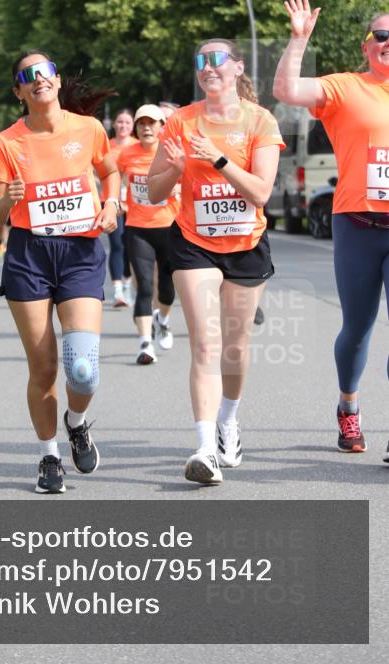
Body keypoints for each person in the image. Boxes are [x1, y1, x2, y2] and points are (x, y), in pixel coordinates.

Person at [0, 51, 120, 494]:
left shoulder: (90, 129)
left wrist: (113, 203)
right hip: (29, 256)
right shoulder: (7, 143)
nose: (38, 79)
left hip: (80, 252)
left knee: (83, 370)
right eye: (28, 75)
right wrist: (10, 200)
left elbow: (110, 171)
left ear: (57, 81)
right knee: (42, 368)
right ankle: (49, 456)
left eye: (45, 72)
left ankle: (76, 422)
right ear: (19, 91)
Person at [148, 39, 284, 485]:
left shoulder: (259, 120)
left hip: (247, 243)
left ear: (237, 67)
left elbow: (261, 193)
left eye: (216, 59)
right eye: (200, 61)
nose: (207, 67)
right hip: (193, 242)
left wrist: (219, 159)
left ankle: (229, 420)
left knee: (234, 347)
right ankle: (205, 448)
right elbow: (153, 191)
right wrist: (176, 168)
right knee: (205, 344)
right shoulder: (180, 121)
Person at [273, 0, 389, 462]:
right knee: (357, 330)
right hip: (357, 225)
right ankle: (349, 404)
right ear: (367, 46)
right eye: (382, 36)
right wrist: (299, 39)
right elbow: (287, 91)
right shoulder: (345, 87)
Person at [117, 105, 180, 364]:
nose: (146, 128)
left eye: (152, 123)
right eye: (141, 123)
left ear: (161, 127)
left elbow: (191, 180)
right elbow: (115, 179)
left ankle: (162, 321)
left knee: (166, 288)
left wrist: (179, 191)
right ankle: (145, 344)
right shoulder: (126, 154)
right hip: (138, 227)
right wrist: (116, 200)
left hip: (169, 227)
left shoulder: (172, 152)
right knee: (144, 286)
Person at [107, 108, 137, 306]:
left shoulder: (139, 145)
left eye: (127, 122)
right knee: (116, 244)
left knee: (130, 245)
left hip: (135, 204)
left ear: (132, 125)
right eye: (120, 122)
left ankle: (127, 283)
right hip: (111, 201)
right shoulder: (106, 146)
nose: (123, 126)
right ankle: (118, 291)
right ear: (114, 124)